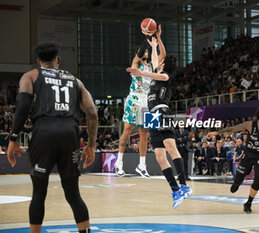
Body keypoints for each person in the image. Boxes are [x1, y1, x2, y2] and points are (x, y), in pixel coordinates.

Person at [7, 42, 98, 233]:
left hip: (43, 134)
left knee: (39, 192)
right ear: (58, 60)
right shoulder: (75, 81)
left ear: (39, 61)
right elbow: (92, 112)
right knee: (73, 194)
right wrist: (91, 144)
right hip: (69, 134)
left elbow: (23, 105)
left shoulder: (31, 75)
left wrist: (13, 138)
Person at [126, 38, 192, 209]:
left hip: (163, 111)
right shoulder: (156, 71)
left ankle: (184, 185)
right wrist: (156, 44)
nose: (159, 62)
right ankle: (176, 190)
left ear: (165, 65)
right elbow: (155, 60)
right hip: (151, 115)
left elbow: (159, 73)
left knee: (171, 148)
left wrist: (142, 74)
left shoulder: (165, 76)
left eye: (162, 62)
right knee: (159, 156)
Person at [114, 25, 166, 178]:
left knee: (144, 134)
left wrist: (159, 37)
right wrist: (149, 36)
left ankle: (142, 166)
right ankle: (119, 163)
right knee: (128, 130)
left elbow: (163, 54)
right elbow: (140, 52)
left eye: (148, 51)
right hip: (135, 99)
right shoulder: (135, 64)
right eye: (145, 50)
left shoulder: (151, 66)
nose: (147, 52)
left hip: (148, 101)